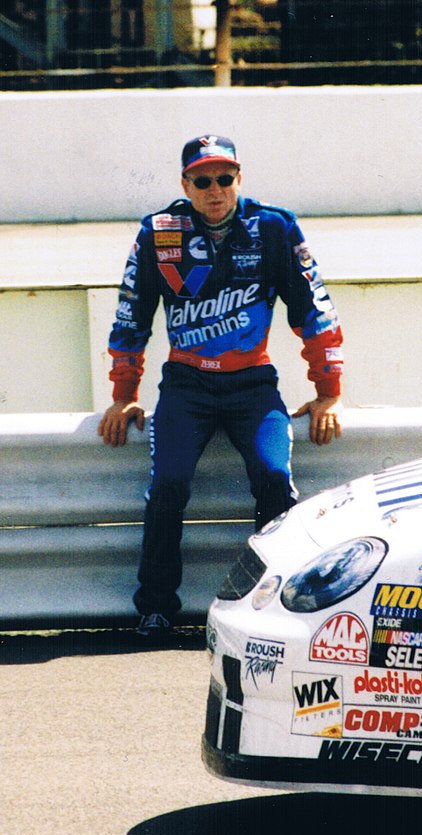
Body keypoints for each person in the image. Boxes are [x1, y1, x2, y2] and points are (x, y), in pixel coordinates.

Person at [98, 134, 344, 637]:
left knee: (274, 478)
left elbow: (313, 309)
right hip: (185, 387)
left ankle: (272, 608)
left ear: (239, 179)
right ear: (185, 184)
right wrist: (124, 395)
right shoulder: (159, 233)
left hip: (253, 386)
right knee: (168, 484)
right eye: (203, 180)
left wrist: (329, 389)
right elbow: (132, 314)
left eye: (225, 178)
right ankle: (157, 608)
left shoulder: (274, 227)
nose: (215, 190)